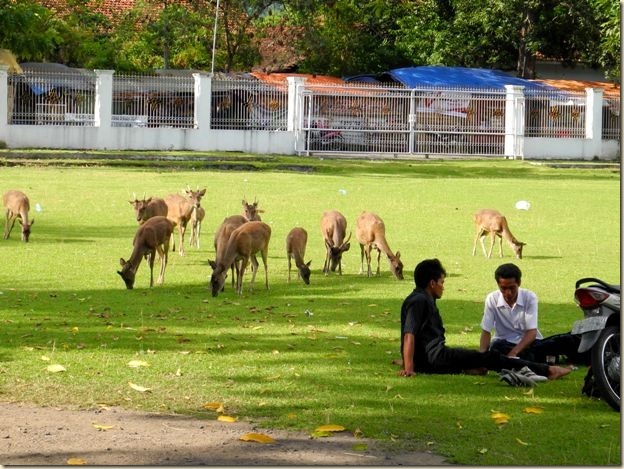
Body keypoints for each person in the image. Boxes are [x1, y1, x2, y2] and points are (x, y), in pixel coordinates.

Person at [399, 258, 572, 381]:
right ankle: (548, 370)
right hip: (435, 357)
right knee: (492, 358)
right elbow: (409, 334)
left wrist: (409, 359)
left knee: (478, 359)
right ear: (432, 283)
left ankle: (473, 368)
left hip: (431, 359)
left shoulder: (420, 299)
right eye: (442, 282)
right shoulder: (419, 301)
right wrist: (409, 367)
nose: (443, 287)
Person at [479, 263, 588, 365]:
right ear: (498, 285)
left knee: (566, 340)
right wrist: (481, 359)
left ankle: (527, 359)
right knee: (497, 347)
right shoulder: (492, 299)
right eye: (503, 288)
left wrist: (514, 353)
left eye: (512, 288)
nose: (508, 293)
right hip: (504, 343)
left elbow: (531, 333)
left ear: (519, 283)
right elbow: (486, 331)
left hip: (530, 343)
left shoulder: (529, 297)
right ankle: (545, 358)